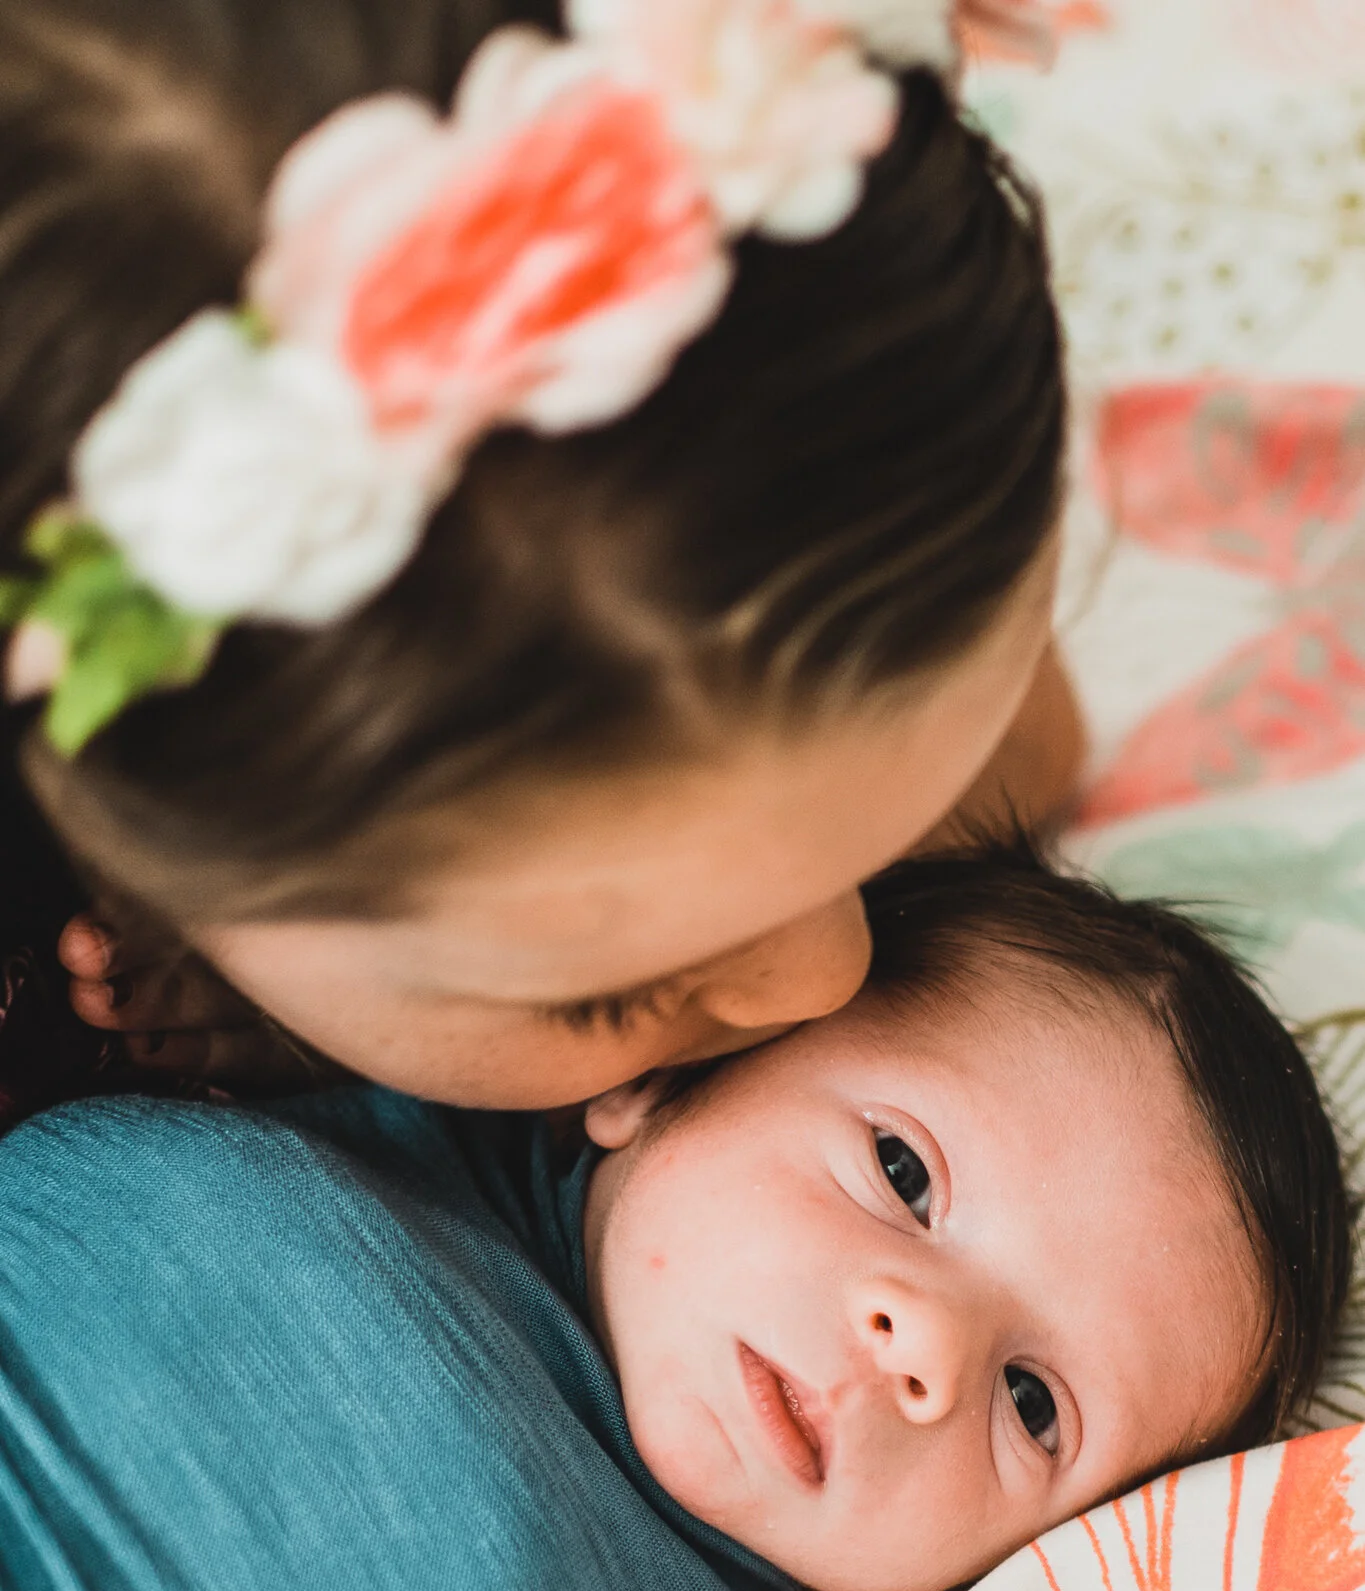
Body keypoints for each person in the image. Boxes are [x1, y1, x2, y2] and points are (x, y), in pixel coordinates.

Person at [0, 845, 1349, 1591]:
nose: (922, 1348)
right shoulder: (408, 1078)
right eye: (901, 1172)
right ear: (659, 1071)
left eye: (1035, 1403)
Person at [0, 0, 1079, 1112]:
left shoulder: (816, 500)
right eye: (609, 997)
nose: (831, 983)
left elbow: (1037, 749)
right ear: (139, 832)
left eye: (894, 830)